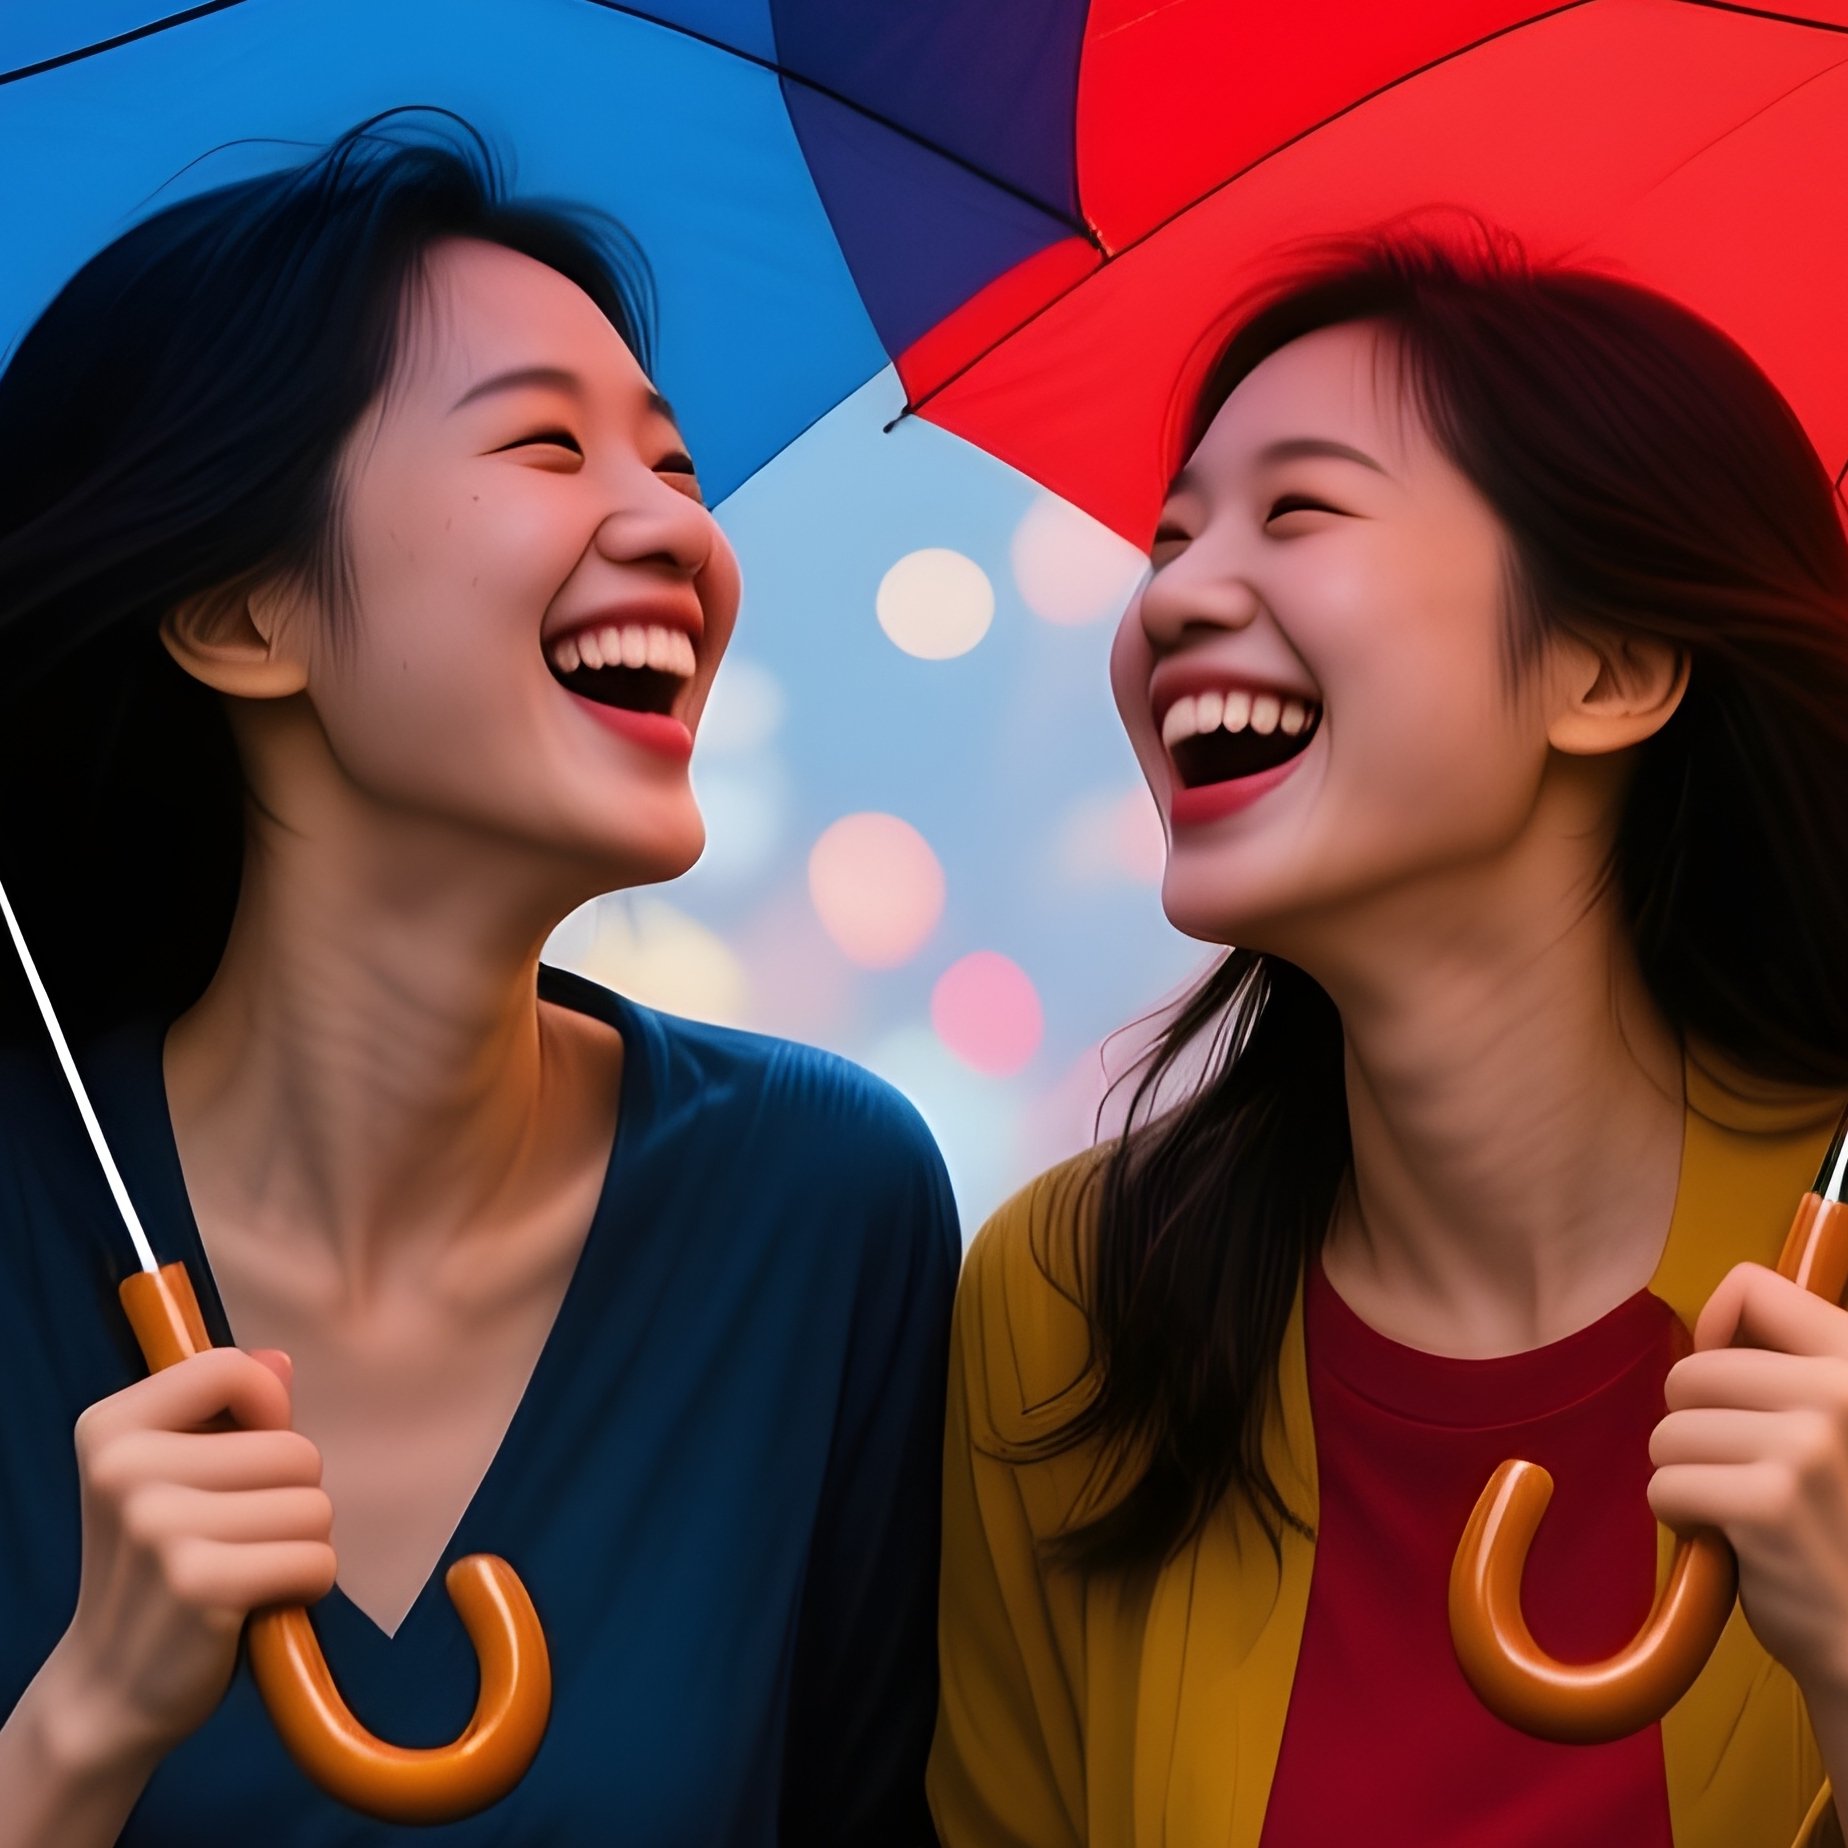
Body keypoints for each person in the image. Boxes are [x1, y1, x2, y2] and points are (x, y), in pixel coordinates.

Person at [0, 113, 957, 1845]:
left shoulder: (822, 1207)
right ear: (243, 617)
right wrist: (80, 1729)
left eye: (674, 466)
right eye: (543, 446)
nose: (678, 532)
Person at [928, 224, 1848, 1848]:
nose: (1172, 594)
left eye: (1301, 511)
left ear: (1612, 669)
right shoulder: (1071, 1300)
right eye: (1171, 535)